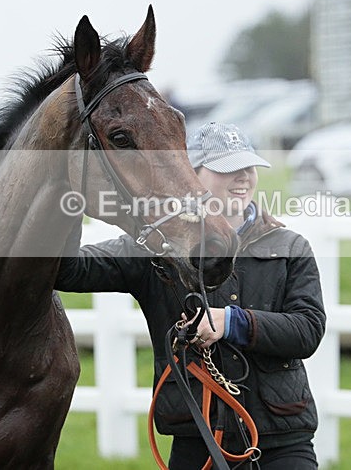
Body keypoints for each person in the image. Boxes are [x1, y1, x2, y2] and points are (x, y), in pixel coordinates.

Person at [55, 122, 325, 469]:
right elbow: (69, 269)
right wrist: (71, 200)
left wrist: (231, 322)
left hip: (282, 441)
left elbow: (308, 330)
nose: (243, 177)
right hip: (196, 440)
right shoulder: (153, 247)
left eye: (248, 167)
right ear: (191, 176)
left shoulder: (290, 247)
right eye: (228, 169)